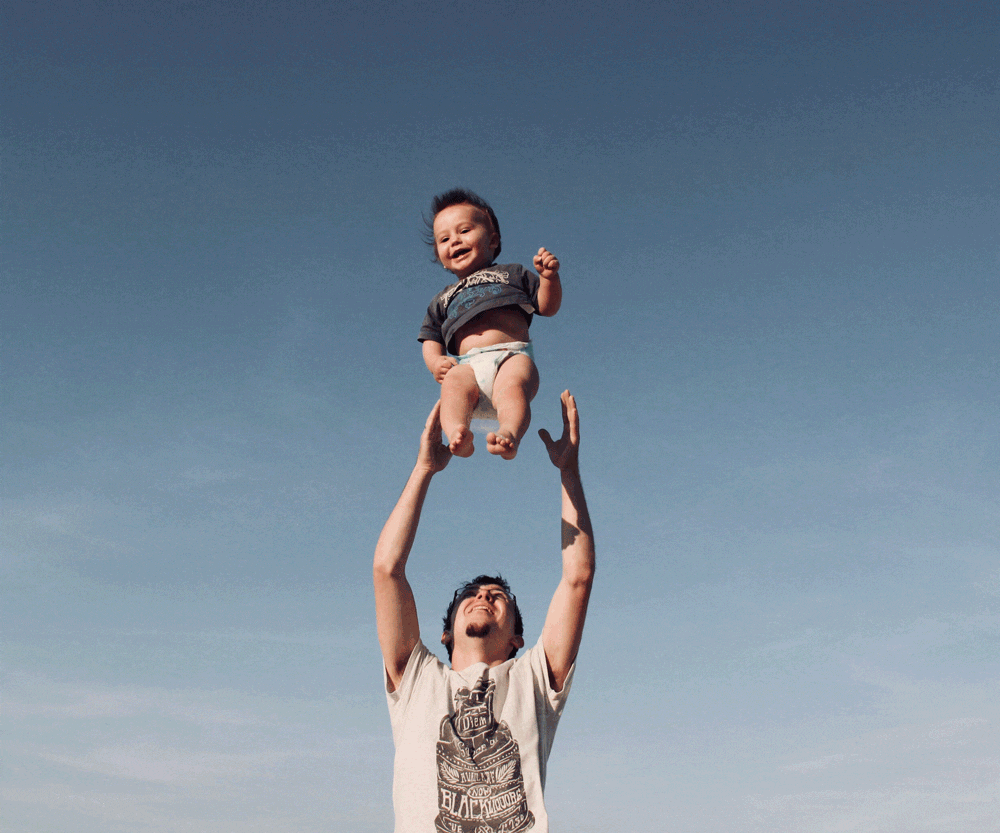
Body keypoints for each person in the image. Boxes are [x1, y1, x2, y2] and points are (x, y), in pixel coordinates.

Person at [374, 391, 595, 833]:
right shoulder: (418, 680)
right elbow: (387, 569)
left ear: (517, 638)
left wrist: (568, 471)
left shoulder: (533, 679)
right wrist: (424, 469)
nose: (483, 596)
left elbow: (577, 578)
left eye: (499, 596)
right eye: (471, 595)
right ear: (445, 634)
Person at [418, 188, 562, 460]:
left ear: (493, 239)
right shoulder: (443, 298)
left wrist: (549, 279)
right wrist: (435, 363)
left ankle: (509, 433)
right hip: (467, 365)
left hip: (512, 355)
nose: (455, 241)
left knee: (512, 388)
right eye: (445, 238)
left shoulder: (512, 274)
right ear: (439, 256)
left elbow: (546, 307)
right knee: (452, 386)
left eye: (464, 231)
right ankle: (458, 433)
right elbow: (430, 337)